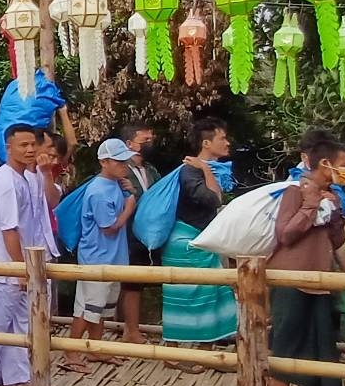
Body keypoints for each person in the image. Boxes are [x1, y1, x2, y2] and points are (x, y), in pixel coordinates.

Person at [266, 135, 345, 386]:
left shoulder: (334, 197)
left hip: (318, 278)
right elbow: (286, 234)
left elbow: (336, 241)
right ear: (325, 164)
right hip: (291, 276)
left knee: (305, 336)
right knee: (286, 337)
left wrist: (336, 213)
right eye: (343, 165)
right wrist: (312, 203)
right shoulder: (295, 191)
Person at [0, 124, 52, 386]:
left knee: (20, 323)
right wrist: (20, 269)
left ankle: (18, 377)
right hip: (2, 265)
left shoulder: (23, 178)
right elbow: (9, 230)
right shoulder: (6, 180)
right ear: (9, 147)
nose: (30, 149)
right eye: (23, 145)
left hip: (17, 264)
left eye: (33, 144)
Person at [160, 118, 237, 361]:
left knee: (213, 294)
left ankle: (206, 351)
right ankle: (172, 351)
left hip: (201, 239)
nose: (227, 143)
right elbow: (213, 199)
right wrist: (205, 169)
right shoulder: (191, 170)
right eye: (221, 138)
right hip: (186, 241)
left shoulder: (209, 170)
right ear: (206, 143)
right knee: (187, 296)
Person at [67, 139, 139, 371]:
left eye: (124, 160)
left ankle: (96, 349)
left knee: (102, 308)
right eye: (118, 161)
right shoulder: (98, 191)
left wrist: (129, 193)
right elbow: (109, 226)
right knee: (88, 308)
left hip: (112, 256)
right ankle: (71, 351)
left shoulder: (117, 185)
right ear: (104, 162)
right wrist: (130, 207)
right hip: (97, 258)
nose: (123, 165)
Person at [117, 123, 158, 342]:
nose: (149, 144)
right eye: (145, 141)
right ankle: (130, 330)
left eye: (151, 139)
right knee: (132, 282)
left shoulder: (150, 170)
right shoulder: (121, 170)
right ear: (129, 144)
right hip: (127, 232)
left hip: (147, 233)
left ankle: (130, 327)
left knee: (137, 283)